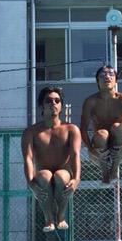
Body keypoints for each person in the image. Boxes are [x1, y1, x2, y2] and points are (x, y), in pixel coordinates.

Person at [22, 86, 81, 232]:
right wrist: (31, 183)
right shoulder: (31, 132)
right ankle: (48, 218)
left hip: (64, 173)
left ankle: (61, 215)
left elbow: (75, 155)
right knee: (44, 175)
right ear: (42, 105)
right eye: (48, 100)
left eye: (57, 100)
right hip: (43, 174)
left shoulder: (71, 129)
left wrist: (76, 179)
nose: (53, 103)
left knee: (60, 175)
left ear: (61, 106)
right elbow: (28, 158)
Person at [79, 65, 122, 184]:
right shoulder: (91, 102)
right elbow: (83, 129)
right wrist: (90, 148)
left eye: (111, 74)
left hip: (119, 149)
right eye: (102, 75)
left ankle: (114, 167)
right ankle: (104, 171)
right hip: (99, 150)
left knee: (117, 126)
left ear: (116, 80)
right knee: (102, 133)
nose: (107, 77)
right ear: (97, 81)